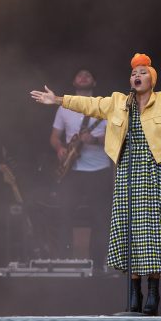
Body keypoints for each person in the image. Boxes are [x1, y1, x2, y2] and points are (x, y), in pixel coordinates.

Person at [31, 53, 161, 316]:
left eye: (142, 72)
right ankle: (134, 290)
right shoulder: (119, 103)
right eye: (133, 74)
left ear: (151, 78)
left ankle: (153, 289)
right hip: (129, 172)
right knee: (130, 233)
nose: (136, 76)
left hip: (157, 171)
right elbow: (90, 104)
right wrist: (58, 100)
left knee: (152, 232)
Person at [48, 69, 112, 270]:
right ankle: (64, 262)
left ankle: (97, 265)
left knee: (100, 219)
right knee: (64, 215)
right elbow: (54, 137)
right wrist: (59, 149)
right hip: (72, 171)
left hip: (99, 171)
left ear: (94, 82)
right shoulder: (64, 108)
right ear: (73, 81)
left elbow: (117, 139)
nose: (83, 76)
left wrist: (94, 139)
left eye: (88, 75)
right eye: (79, 74)